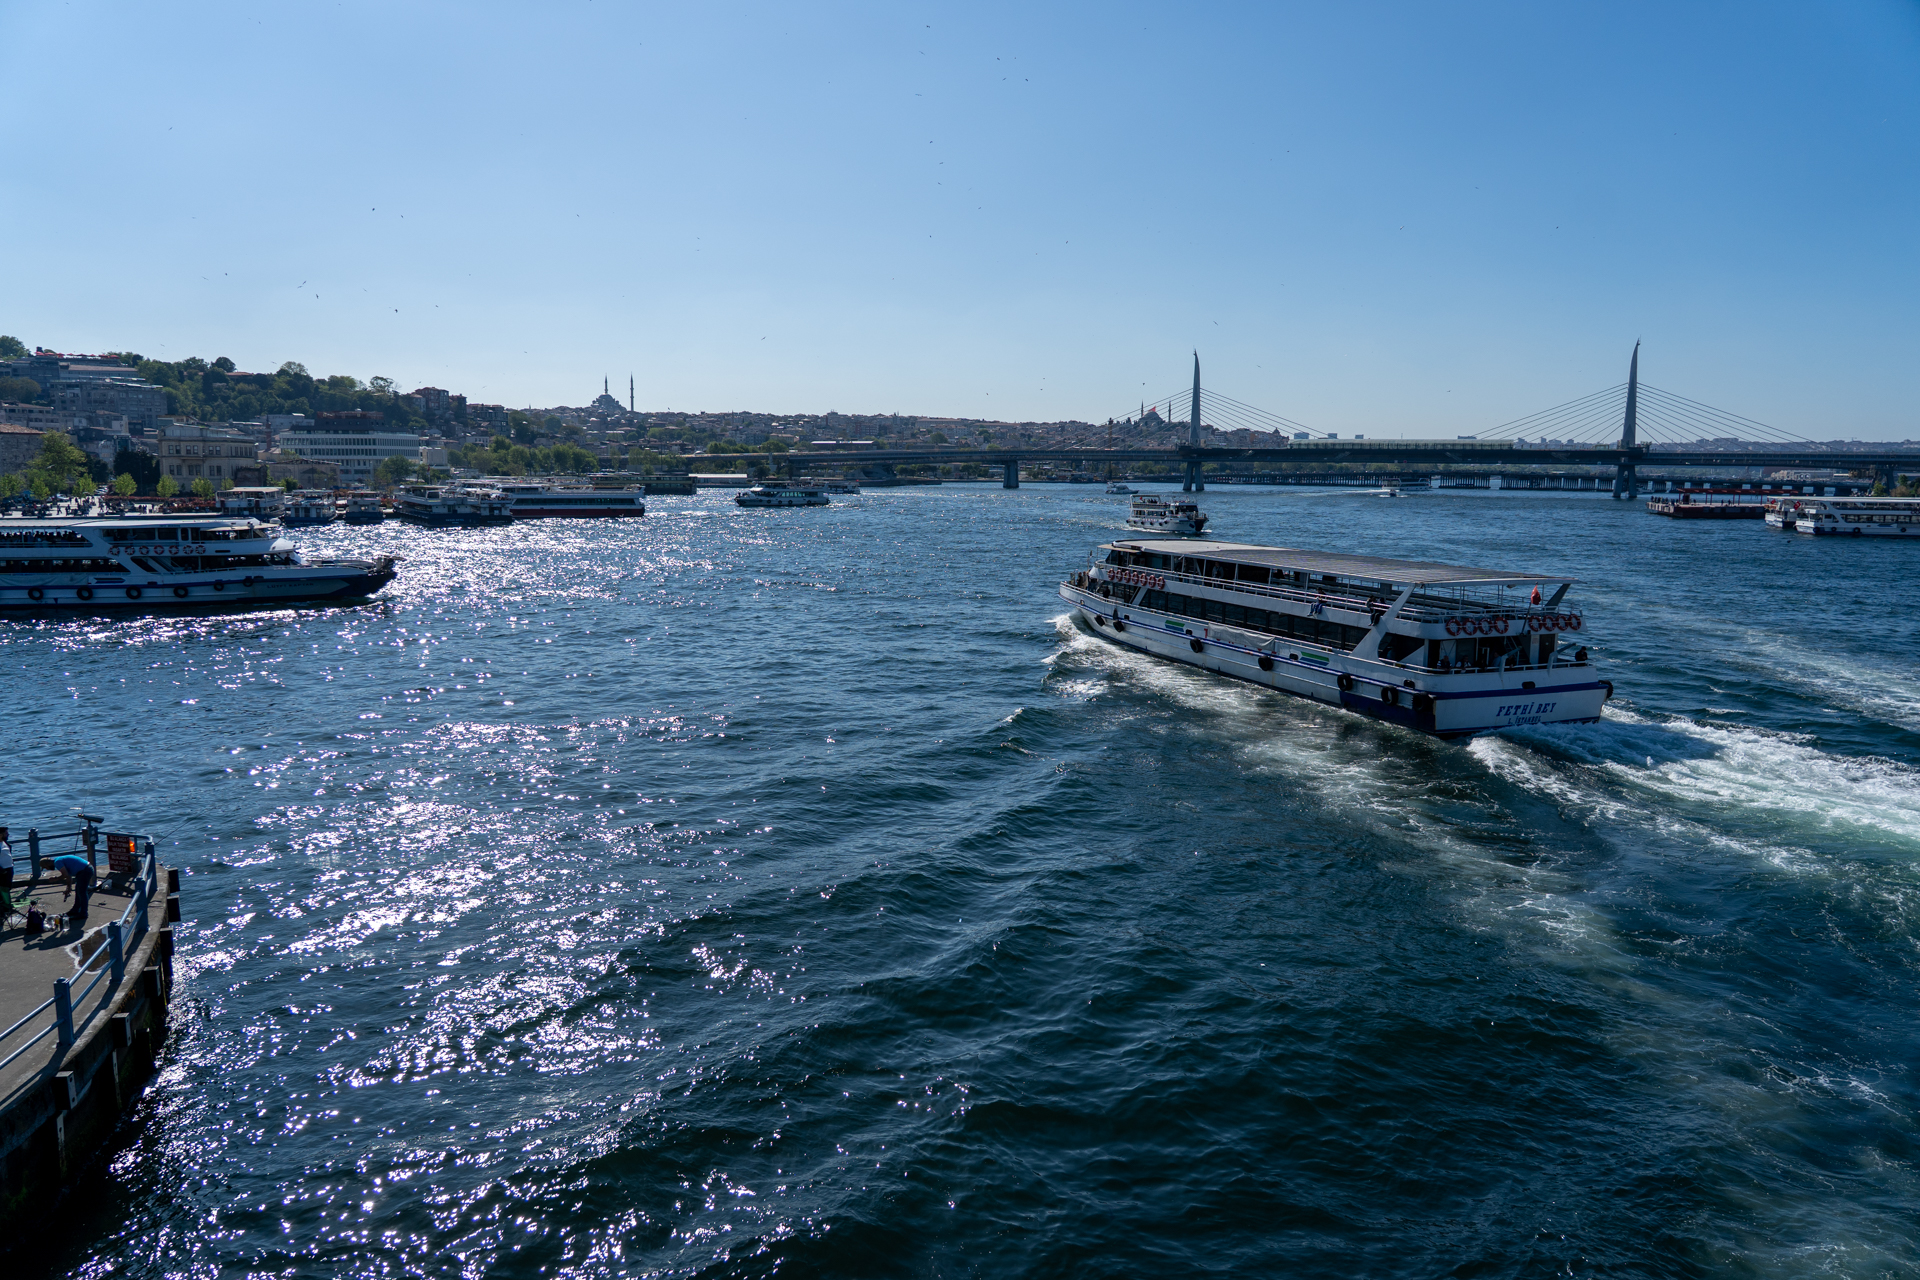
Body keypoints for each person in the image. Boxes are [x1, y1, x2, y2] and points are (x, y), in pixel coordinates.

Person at [40, 854, 93, 930]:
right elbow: (69, 876)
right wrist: (69, 888)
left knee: (82, 892)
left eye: (45, 867)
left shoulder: (57, 862)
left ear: (47, 864)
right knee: (78, 891)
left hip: (85, 871)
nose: (47, 869)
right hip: (84, 870)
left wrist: (56, 879)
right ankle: (75, 910)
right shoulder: (58, 860)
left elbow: (65, 875)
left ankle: (83, 913)